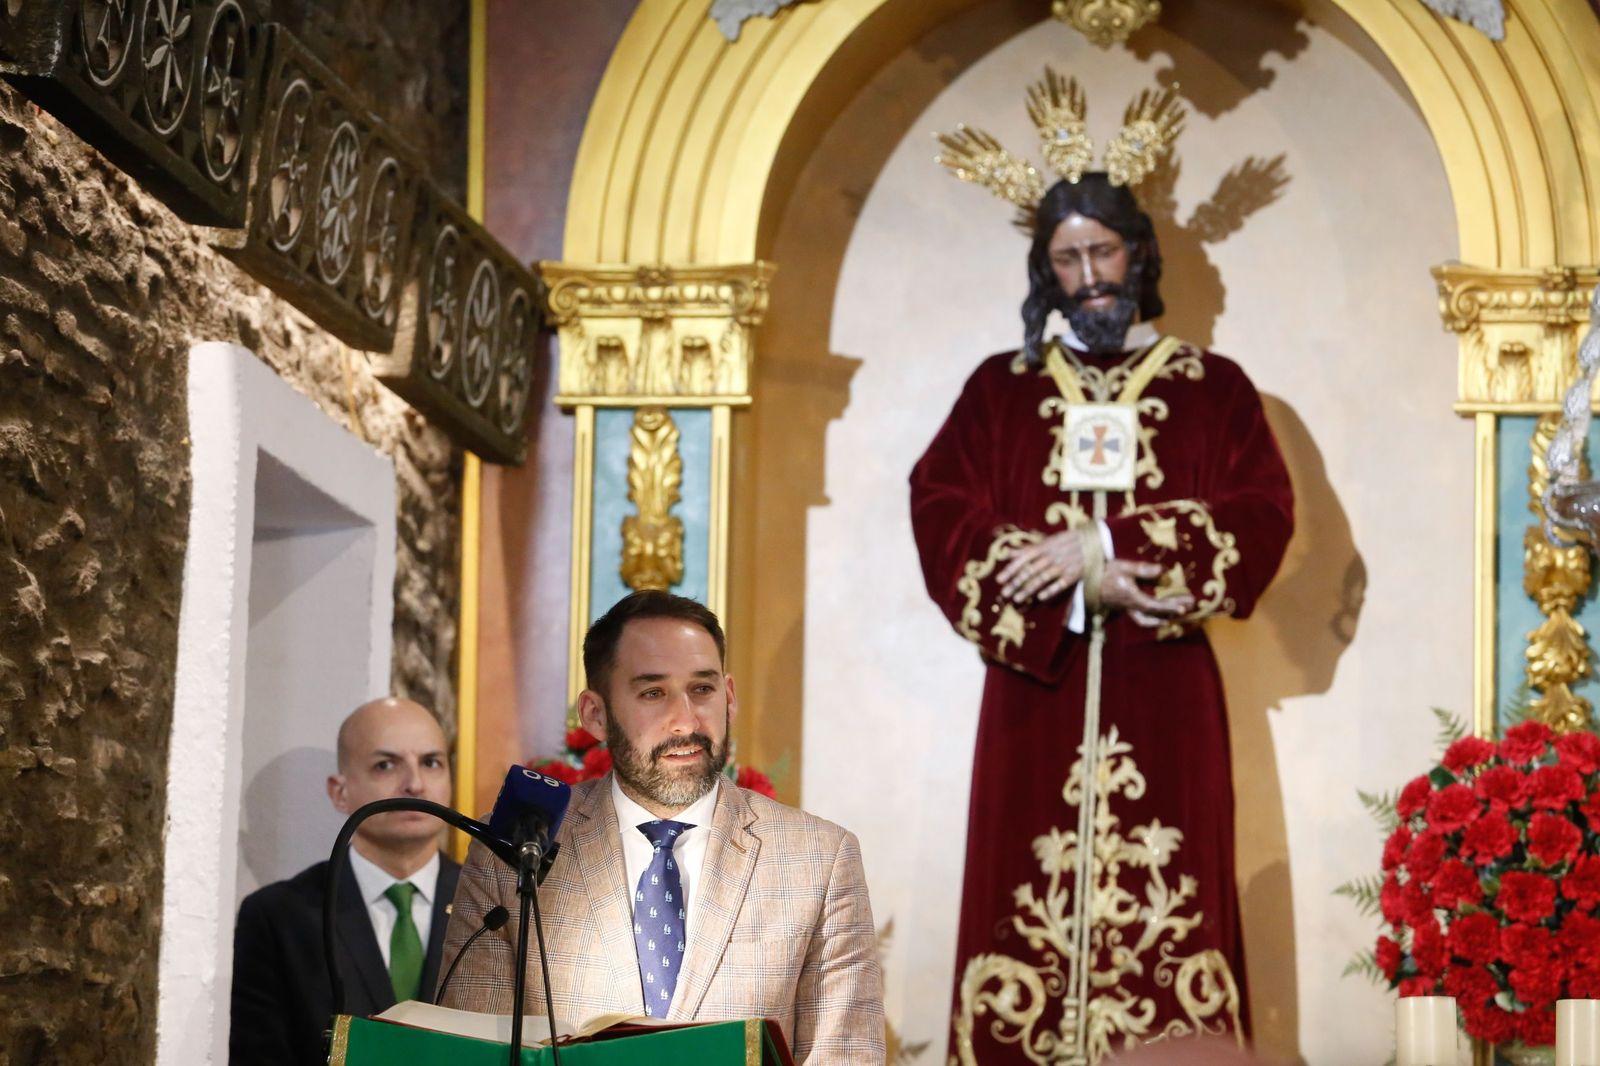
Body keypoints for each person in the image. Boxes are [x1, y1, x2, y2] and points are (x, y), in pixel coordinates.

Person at [910, 172, 1294, 1063]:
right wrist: (1079, 590)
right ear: (1046, 271)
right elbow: (940, 510)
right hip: (1031, 697)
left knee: (1179, 906)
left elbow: (1260, 514)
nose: (1090, 277)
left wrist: (1106, 544)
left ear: (1139, 254)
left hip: (1168, 697)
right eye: (1068, 258)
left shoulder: (1212, 387)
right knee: (1018, 904)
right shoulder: (1000, 391)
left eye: (1104, 252)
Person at [438, 590, 885, 1064]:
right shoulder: (512, 847)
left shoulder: (820, 858)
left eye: (702, 689)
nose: (685, 721)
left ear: (728, 698)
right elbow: (472, 1053)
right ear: (595, 714)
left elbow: (846, 1055)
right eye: (653, 693)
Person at [229, 697, 461, 1066]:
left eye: (431, 763)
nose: (415, 784)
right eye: (386, 765)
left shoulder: (496, 904)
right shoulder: (279, 918)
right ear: (340, 791)